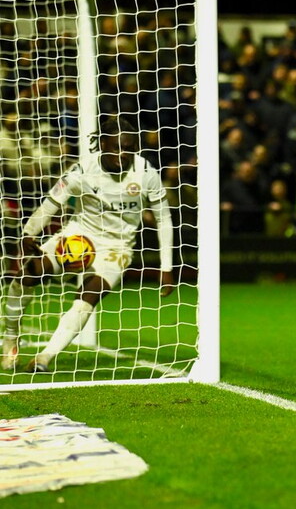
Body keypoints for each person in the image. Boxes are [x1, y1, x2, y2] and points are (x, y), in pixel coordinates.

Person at [1, 117, 175, 372]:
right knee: (26, 276)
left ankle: (44, 357)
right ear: (102, 144)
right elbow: (51, 204)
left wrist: (167, 267)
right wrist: (29, 234)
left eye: (128, 149)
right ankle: (10, 338)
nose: (122, 154)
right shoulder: (81, 171)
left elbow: (163, 219)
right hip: (78, 236)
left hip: (116, 247)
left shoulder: (146, 173)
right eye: (116, 148)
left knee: (87, 298)